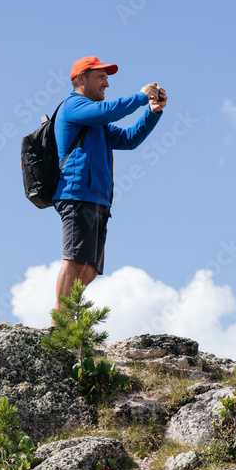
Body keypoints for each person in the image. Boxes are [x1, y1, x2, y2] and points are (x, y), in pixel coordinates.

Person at [51, 56, 166, 312]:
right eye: (101, 77)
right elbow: (109, 111)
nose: (107, 83)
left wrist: (153, 112)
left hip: (99, 199)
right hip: (77, 195)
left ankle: (68, 317)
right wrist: (141, 97)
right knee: (74, 260)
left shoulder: (97, 122)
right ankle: (60, 323)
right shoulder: (73, 106)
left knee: (90, 267)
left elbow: (129, 139)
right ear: (81, 78)